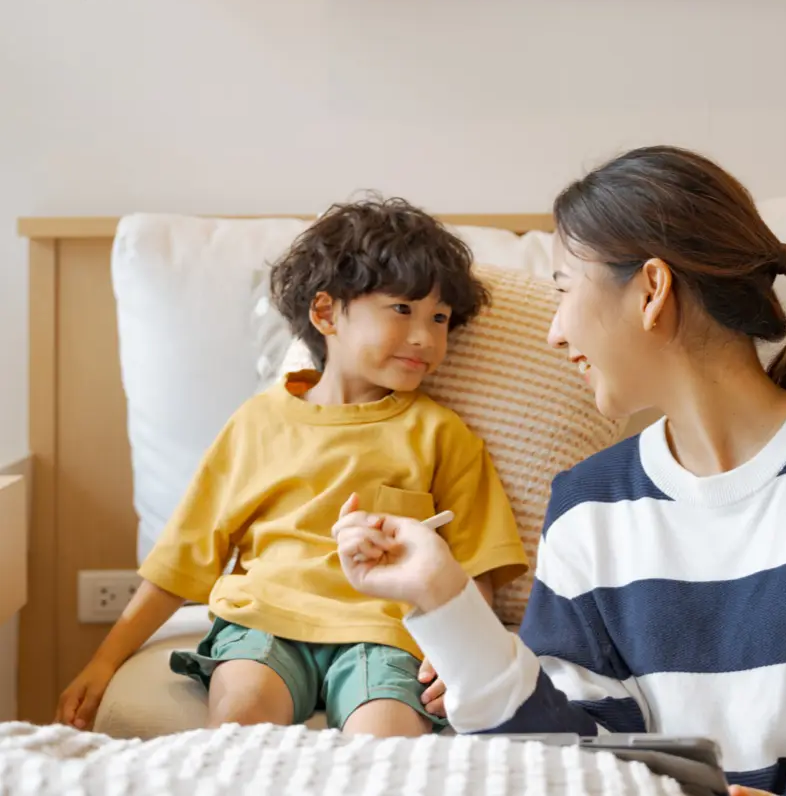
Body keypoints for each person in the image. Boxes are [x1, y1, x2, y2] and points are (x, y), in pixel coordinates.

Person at [335, 147, 786, 796]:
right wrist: (442, 595)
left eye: (564, 289)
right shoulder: (588, 505)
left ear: (651, 291)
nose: (555, 333)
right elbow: (565, 760)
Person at [57, 198, 528, 736]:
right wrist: (104, 661)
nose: (425, 337)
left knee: (388, 741)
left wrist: (461, 650)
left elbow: (475, 567)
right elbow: (178, 562)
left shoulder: (444, 435)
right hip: (264, 623)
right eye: (402, 310)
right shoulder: (256, 424)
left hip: (387, 634)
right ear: (326, 314)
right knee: (241, 717)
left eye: (439, 318)